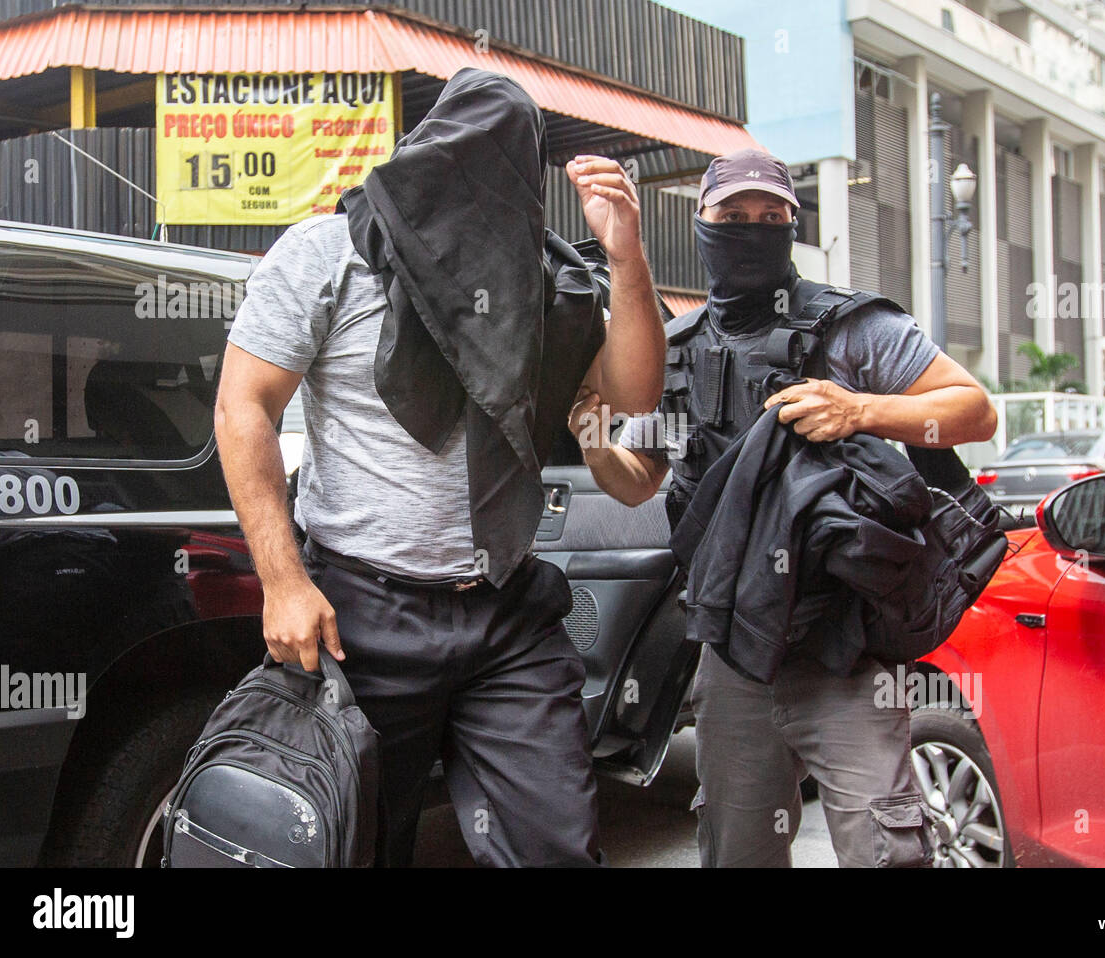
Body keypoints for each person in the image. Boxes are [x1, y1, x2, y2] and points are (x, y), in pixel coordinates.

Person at [214, 69, 665, 867]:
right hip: (360, 615)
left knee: (556, 847)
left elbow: (631, 394)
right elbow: (244, 406)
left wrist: (626, 259)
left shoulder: (552, 285)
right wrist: (284, 581)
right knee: (352, 843)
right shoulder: (330, 251)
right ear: (425, 148)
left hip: (508, 616)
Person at [571, 148, 998, 868]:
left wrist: (861, 409)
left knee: (885, 848)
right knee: (739, 851)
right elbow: (639, 480)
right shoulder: (673, 351)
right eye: (733, 217)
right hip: (734, 654)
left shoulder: (849, 328)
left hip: (844, 648)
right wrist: (591, 439)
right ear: (702, 225)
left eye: (771, 218)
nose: (751, 230)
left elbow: (973, 412)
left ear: (793, 228)